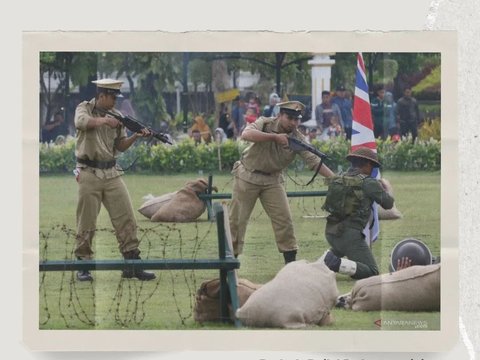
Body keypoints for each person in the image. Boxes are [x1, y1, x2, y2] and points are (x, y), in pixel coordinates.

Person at [229, 101, 334, 264]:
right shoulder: (265, 123)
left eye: (296, 119)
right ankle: (230, 261)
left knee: (284, 220)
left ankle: (290, 263)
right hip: (247, 176)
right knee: (236, 221)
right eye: (289, 118)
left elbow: (313, 160)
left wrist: (334, 179)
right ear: (280, 115)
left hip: (273, 180)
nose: (293, 123)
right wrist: (275, 137)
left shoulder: (297, 138)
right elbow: (246, 134)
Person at [73, 78, 156, 282]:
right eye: (112, 98)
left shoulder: (118, 116)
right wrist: (104, 120)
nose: (114, 102)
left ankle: (132, 263)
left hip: (111, 172)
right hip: (89, 172)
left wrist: (136, 136)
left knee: (126, 217)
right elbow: (81, 123)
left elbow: (120, 146)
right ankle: (83, 264)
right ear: (101, 96)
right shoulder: (84, 108)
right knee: (87, 220)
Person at [320, 147, 394, 279]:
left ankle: (319, 266)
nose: (373, 170)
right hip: (349, 236)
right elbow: (388, 204)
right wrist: (387, 189)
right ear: (367, 164)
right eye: (373, 166)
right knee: (372, 271)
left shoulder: (339, 178)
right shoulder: (368, 182)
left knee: (336, 253)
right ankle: (336, 263)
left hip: (331, 232)